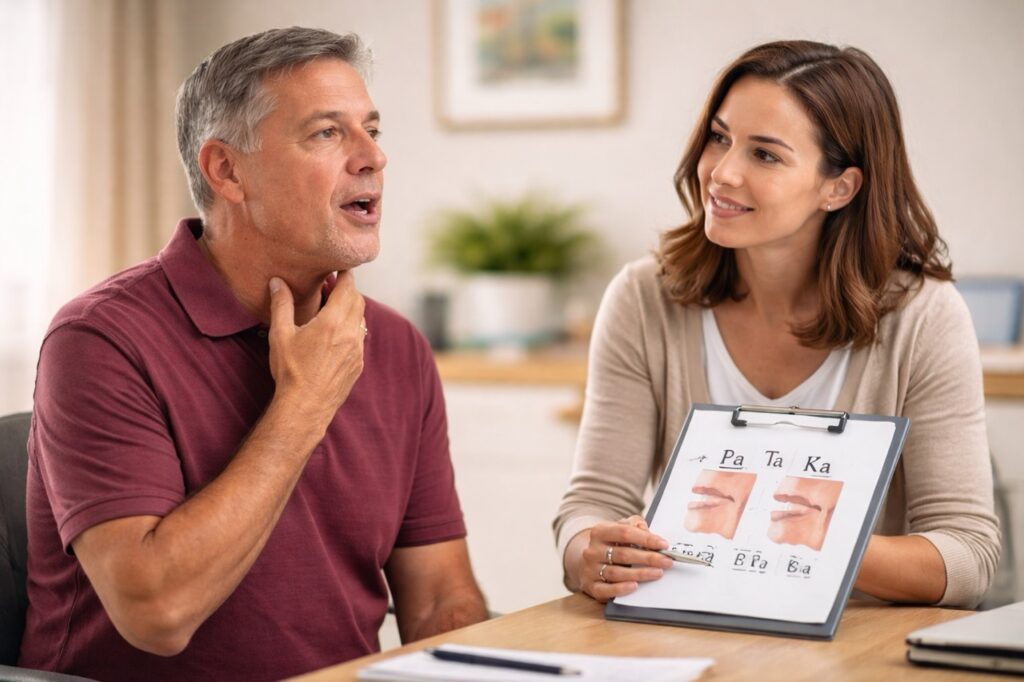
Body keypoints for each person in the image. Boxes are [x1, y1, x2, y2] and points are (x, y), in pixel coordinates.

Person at [20, 27, 488, 681]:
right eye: (327, 133)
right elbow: (157, 613)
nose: (372, 157)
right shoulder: (100, 340)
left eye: (371, 130)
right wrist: (304, 401)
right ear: (227, 171)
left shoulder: (397, 347)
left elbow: (439, 597)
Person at [554, 40, 1000, 609]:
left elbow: (967, 557)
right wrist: (589, 552)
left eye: (765, 155)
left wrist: (786, 535)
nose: (722, 173)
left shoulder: (924, 316)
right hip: (683, 639)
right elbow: (589, 507)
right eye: (720, 138)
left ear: (839, 187)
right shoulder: (643, 299)